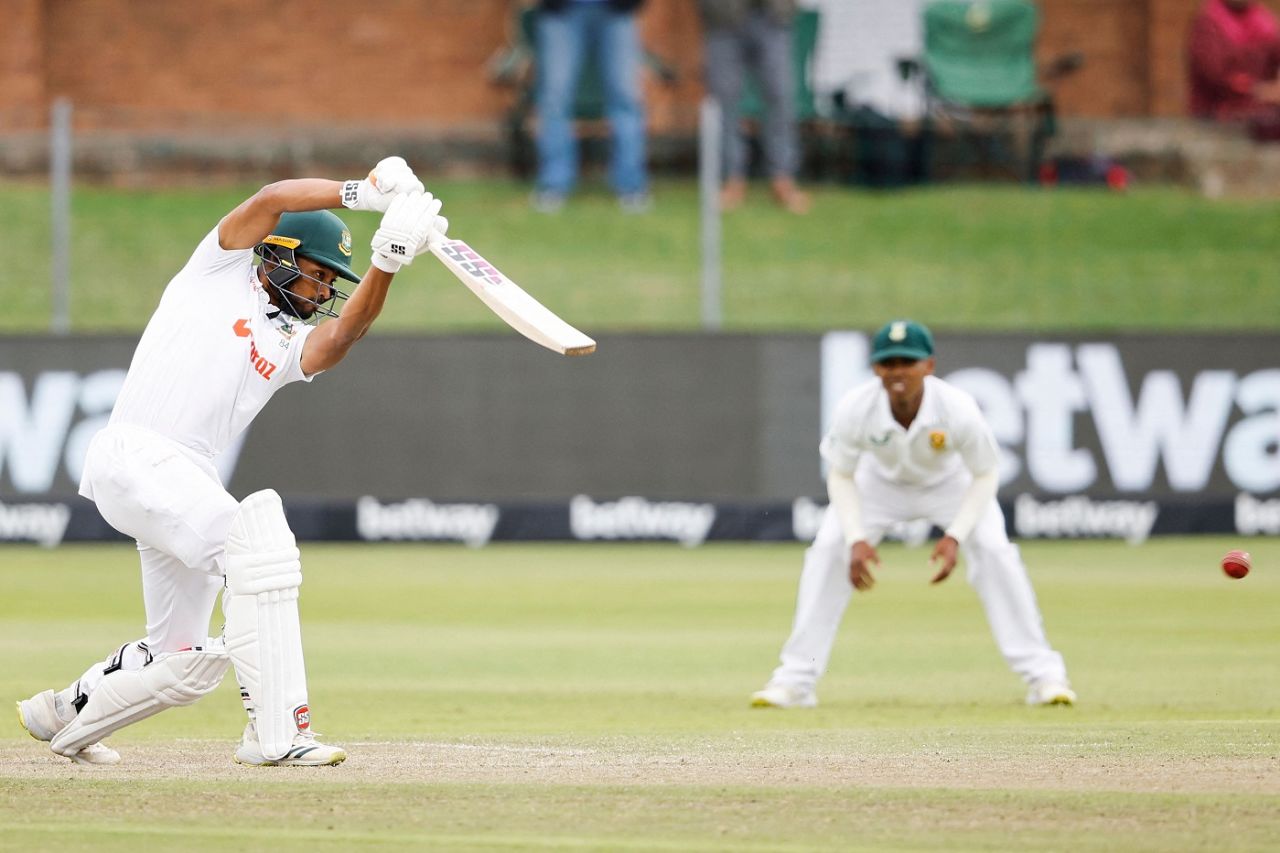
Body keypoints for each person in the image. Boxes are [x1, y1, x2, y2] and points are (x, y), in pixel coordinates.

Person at [15, 157, 447, 767]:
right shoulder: (217, 269)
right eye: (318, 275)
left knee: (184, 663)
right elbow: (270, 198)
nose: (324, 292)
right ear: (279, 255)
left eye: (332, 283)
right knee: (257, 547)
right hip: (138, 451)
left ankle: (64, 711)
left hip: (180, 479)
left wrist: (387, 261)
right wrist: (363, 192)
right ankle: (277, 735)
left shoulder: (290, 338)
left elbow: (341, 337)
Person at [750, 320, 1075, 709]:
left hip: (950, 485)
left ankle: (1045, 677)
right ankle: (795, 682)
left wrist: (955, 535)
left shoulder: (957, 409)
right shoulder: (857, 407)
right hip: (878, 486)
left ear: (929, 366)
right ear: (875, 369)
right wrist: (856, 539)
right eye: (889, 363)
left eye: (908, 362)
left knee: (994, 550)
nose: (898, 371)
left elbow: (985, 474)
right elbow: (841, 474)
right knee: (828, 550)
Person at [531, 0, 652, 213]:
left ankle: (631, 186)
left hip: (616, 11)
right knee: (554, 100)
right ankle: (554, 184)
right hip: (561, 12)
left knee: (626, 99)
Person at [698, 0, 810, 213]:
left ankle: (783, 180)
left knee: (780, 98)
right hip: (723, 18)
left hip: (772, 15)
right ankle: (732, 180)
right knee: (724, 102)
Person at [1188, 0, 1280, 136]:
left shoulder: (1265, 23)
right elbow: (1216, 74)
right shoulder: (1210, 23)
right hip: (1215, 122)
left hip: (1259, 123)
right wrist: (1261, 91)